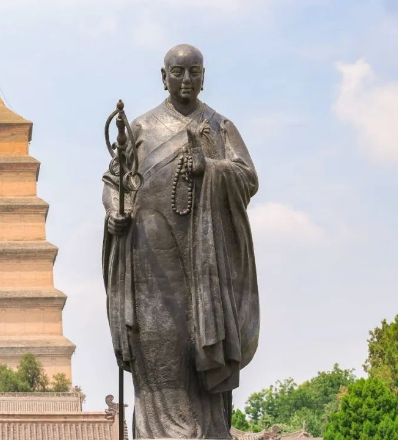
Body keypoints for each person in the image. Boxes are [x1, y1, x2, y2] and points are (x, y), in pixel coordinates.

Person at [102, 44, 260, 439]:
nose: (186, 80)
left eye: (194, 72)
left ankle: (207, 431)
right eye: (178, 72)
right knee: (158, 352)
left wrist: (211, 167)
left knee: (202, 349)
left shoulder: (219, 126)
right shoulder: (140, 129)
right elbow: (115, 183)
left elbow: (247, 178)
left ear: (204, 77)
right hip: (150, 262)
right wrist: (116, 212)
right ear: (164, 77)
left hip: (205, 264)